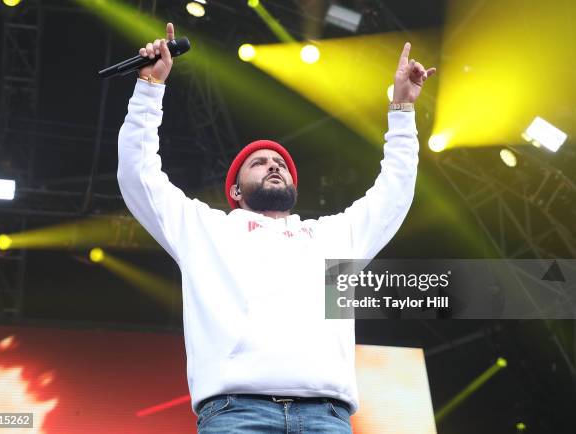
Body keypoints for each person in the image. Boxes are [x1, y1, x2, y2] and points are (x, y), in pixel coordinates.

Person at [118, 22, 435, 434]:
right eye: (260, 162)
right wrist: (149, 87)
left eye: (281, 164)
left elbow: (394, 191)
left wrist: (402, 111)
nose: (274, 165)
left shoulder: (331, 236)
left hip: (328, 417)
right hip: (236, 415)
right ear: (234, 188)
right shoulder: (206, 230)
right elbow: (139, 175)